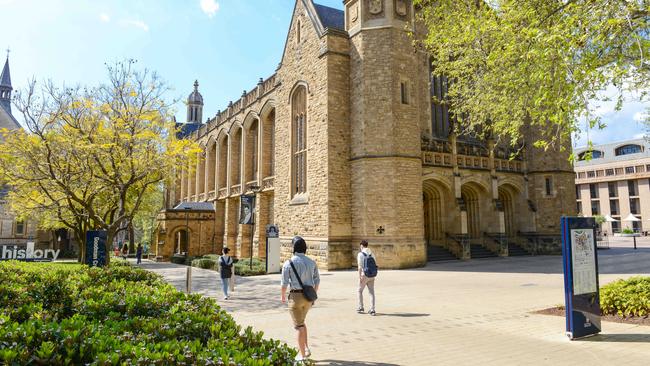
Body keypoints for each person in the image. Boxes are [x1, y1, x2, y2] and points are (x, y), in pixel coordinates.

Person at [281, 236, 320, 361]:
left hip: (295, 297)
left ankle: (302, 356)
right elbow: (317, 280)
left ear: (294, 248)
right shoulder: (311, 262)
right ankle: (307, 348)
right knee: (302, 323)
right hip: (308, 297)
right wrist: (313, 294)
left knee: (298, 326)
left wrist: (282, 296)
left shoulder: (288, 263)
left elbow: (284, 283)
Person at [357, 240, 377, 316]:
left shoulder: (360, 254)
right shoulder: (372, 253)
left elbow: (359, 267)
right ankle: (372, 309)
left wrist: (359, 276)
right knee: (371, 292)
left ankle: (361, 307)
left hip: (364, 275)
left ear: (361, 246)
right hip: (372, 275)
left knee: (359, 290)